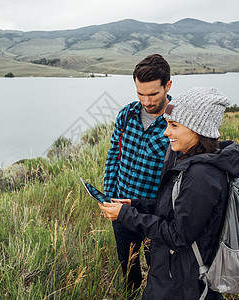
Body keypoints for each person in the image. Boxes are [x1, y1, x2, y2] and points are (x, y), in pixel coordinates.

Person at [99, 87, 239, 299]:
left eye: (174, 125)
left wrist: (124, 215)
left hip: (182, 282)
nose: (165, 132)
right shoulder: (189, 160)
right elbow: (175, 209)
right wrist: (135, 205)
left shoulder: (201, 176)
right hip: (174, 273)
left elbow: (178, 236)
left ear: (197, 130)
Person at [103, 54, 172, 292]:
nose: (147, 101)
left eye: (153, 94)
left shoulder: (177, 122)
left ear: (168, 86)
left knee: (159, 270)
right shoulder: (126, 113)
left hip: (156, 214)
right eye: (140, 93)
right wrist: (108, 196)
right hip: (122, 207)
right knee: (128, 265)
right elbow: (114, 154)